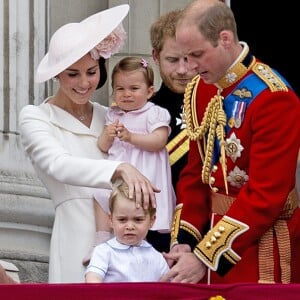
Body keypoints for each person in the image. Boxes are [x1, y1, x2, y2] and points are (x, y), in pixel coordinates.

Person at [161, 0, 300, 284]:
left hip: (260, 246)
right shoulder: (201, 88)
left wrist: (205, 256)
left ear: (224, 39)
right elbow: (195, 174)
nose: (189, 67)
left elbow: (266, 196)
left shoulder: (274, 97)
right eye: (185, 56)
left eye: (196, 54)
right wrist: (184, 240)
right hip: (207, 245)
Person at [18, 5, 159, 283]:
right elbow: (58, 165)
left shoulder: (111, 116)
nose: (84, 83)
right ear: (57, 74)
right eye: (72, 74)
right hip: (76, 239)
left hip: (128, 240)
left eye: (91, 72)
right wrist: (119, 168)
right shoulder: (35, 117)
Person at [84, 56, 176, 264]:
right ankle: (101, 239)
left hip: (145, 173)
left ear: (150, 91)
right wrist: (108, 134)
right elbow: (103, 147)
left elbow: (159, 141)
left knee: (143, 211)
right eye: (120, 89)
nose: (126, 94)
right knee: (99, 192)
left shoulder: (155, 113)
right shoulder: (113, 114)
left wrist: (131, 137)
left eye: (134, 88)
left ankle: (153, 256)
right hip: (120, 175)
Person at [148, 9, 198, 252]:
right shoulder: (139, 115)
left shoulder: (221, 108)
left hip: (210, 235)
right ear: (155, 56)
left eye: (189, 59)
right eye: (172, 60)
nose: (182, 70)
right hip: (156, 237)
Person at [85, 182, 170, 282]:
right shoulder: (104, 252)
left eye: (138, 220)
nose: (130, 226)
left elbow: (169, 285)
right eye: (122, 220)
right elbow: (93, 279)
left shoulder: (156, 257)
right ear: (111, 220)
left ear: (151, 221)